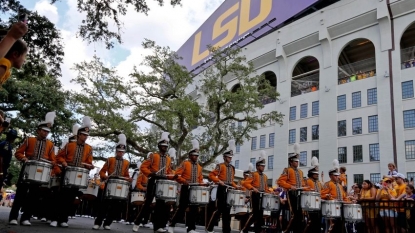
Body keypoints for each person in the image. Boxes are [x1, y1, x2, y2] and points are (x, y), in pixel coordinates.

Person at [8, 112, 60, 226]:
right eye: (44, 131)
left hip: (40, 173)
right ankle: (13, 217)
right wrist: (24, 158)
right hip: (27, 169)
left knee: (33, 196)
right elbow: (18, 153)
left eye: (47, 132)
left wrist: (52, 163)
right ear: (39, 130)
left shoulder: (50, 145)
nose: (46, 133)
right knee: (20, 194)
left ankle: (26, 218)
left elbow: (53, 160)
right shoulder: (29, 140)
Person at [53, 119, 94, 227]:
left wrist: (89, 166)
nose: (85, 137)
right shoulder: (70, 145)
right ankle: (55, 218)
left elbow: (89, 162)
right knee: (62, 197)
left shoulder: (89, 148)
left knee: (71, 198)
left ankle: (63, 220)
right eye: (83, 135)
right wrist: (64, 162)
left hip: (78, 176)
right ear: (79, 135)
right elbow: (59, 157)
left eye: (87, 135)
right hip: (67, 173)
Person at [133, 132, 176, 233]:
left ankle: (157, 226)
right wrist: (151, 173)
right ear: (159, 146)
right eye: (163, 145)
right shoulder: (153, 156)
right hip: (153, 181)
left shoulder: (168, 159)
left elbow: (168, 171)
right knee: (148, 203)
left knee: (160, 205)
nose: (165, 147)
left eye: (166, 146)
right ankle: (137, 222)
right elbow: (143, 167)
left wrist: (172, 176)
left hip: (163, 183)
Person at [93, 134, 131, 230]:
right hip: (110, 184)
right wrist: (104, 176)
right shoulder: (110, 160)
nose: (120, 153)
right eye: (119, 151)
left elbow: (126, 175)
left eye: (122, 152)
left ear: (124, 152)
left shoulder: (126, 163)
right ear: (116, 151)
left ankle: (107, 223)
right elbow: (102, 171)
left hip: (120, 186)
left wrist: (128, 179)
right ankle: (98, 222)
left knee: (116, 206)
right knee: (104, 205)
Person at [168, 140, 205, 233]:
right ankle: (172, 224)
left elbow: (200, 179)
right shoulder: (185, 163)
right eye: (194, 155)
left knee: (194, 209)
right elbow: (177, 175)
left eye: (197, 156)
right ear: (190, 155)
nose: (196, 157)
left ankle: (191, 228)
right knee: (182, 208)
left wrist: (203, 184)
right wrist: (184, 181)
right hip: (185, 188)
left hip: (195, 189)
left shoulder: (200, 167)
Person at [206, 139, 239, 233]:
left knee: (227, 211)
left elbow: (231, 181)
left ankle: (226, 230)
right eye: (229, 157)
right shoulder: (220, 166)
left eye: (231, 157)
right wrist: (218, 181)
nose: (230, 158)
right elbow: (211, 175)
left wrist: (236, 186)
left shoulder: (232, 168)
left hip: (229, 189)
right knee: (219, 210)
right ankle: (209, 228)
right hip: (221, 188)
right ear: (225, 157)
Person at [277, 143, 309, 233]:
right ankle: (285, 230)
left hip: (300, 195)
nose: (297, 162)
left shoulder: (301, 172)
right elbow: (280, 181)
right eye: (295, 161)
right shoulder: (287, 170)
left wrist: (306, 188)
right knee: (294, 215)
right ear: (291, 162)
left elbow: (302, 184)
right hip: (291, 194)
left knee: (300, 215)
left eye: (298, 161)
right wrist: (290, 186)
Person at [241, 151, 272, 233]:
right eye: (262, 166)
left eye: (264, 166)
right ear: (257, 166)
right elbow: (245, 183)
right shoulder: (253, 174)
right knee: (255, 214)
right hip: (255, 195)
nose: (263, 167)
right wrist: (252, 188)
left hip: (262, 196)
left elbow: (266, 188)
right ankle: (244, 229)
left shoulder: (265, 176)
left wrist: (271, 192)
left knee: (260, 215)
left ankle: (257, 231)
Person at [321, 159, 349, 233]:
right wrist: (327, 196)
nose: (337, 177)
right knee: (331, 227)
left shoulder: (340, 185)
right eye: (335, 175)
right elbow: (322, 194)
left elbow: (344, 197)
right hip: (331, 208)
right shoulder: (328, 184)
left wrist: (349, 201)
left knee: (340, 226)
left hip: (340, 207)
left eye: (337, 175)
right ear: (330, 176)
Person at [303, 156, 322, 233]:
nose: (317, 175)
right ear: (311, 173)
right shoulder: (306, 181)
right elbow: (303, 190)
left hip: (318, 205)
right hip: (309, 206)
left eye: (317, 173)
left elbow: (322, 192)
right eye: (315, 173)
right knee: (310, 223)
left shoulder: (319, 183)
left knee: (318, 223)